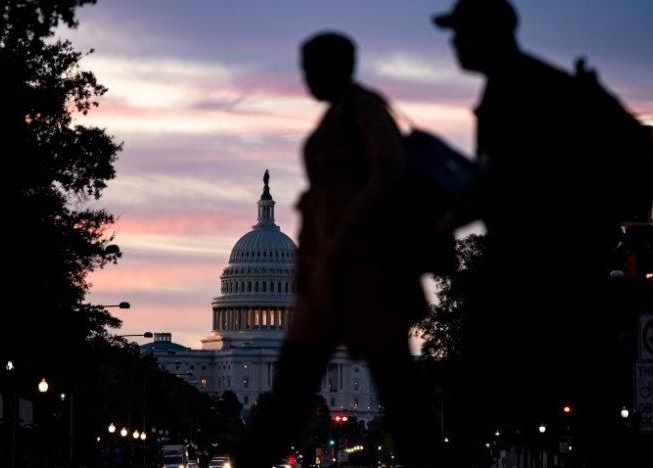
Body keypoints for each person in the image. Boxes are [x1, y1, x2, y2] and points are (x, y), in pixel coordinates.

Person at [234, 31, 444, 468]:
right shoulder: (338, 117)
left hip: (367, 276)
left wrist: (346, 231)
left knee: (400, 393)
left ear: (340, 67)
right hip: (326, 280)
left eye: (313, 66)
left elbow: (388, 175)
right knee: (292, 393)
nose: (306, 77)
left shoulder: (366, 111)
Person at [432, 1, 626, 466]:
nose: (454, 42)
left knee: (474, 394)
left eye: (462, 31)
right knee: (584, 394)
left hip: (539, 265)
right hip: (547, 264)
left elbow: (514, 183)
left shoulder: (525, 92)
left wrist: (452, 218)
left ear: (494, 31)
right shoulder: (514, 89)